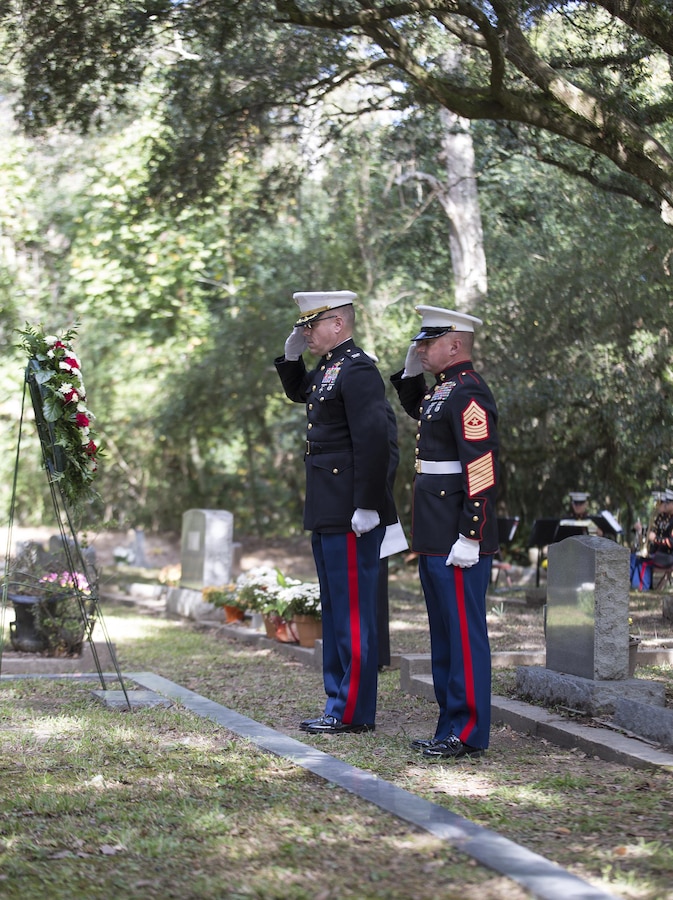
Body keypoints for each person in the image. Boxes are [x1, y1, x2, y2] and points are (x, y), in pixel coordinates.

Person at [275, 290, 397, 734]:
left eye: (312, 325)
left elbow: (374, 441)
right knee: (335, 607)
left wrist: (367, 504)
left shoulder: (359, 369)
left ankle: (353, 710)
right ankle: (337, 702)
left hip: (350, 509)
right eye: (304, 326)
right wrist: (290, 360)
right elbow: (301, 393)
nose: (306, 332)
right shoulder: (330, 367)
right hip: (328, 505)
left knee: (353, 612)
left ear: (338, 325)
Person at [390, 304, 499, 760]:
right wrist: (410, 370)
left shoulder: (469, 392)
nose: (420, 347)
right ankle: (448, 724)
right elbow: (420, 408)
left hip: (459, 534)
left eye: (428, 342)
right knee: (443, 633)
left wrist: (471, 534)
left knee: (464, 634)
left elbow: (482, 468)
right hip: (435, 534)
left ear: (454, 344)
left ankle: (468, 730)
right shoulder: (442, 391)